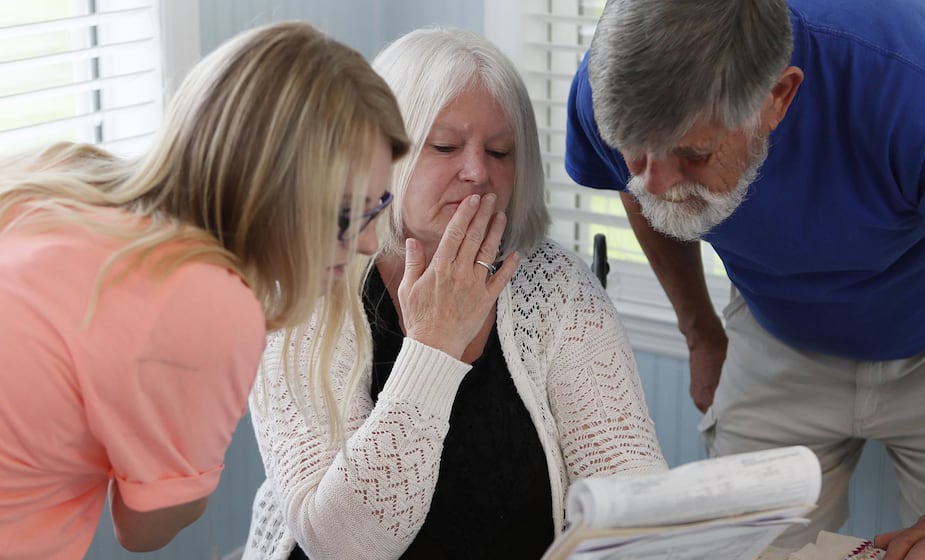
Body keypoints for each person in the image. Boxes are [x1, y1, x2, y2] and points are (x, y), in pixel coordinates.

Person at [565, 0, 925, 558]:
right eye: (635, 149)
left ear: (778, 96)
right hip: (774, 327)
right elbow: (638, 194)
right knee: (738, 550)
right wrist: (700, 332)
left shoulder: (922, 91)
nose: (658, 181)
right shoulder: (609, 84)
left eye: (693, 153)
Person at [243, 27, 668, 560]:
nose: (478, 172)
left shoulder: (556, 286)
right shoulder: (309, 287)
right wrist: (435, 346)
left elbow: (629, 488)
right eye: (444, 146)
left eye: (500, 151)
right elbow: (342, 545)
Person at [0, 22, 413, 560]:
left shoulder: (64, 173)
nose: (366, 243)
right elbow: (141, 530)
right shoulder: (209, 304)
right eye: (344, 216)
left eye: (377, 207)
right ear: (264, 189)